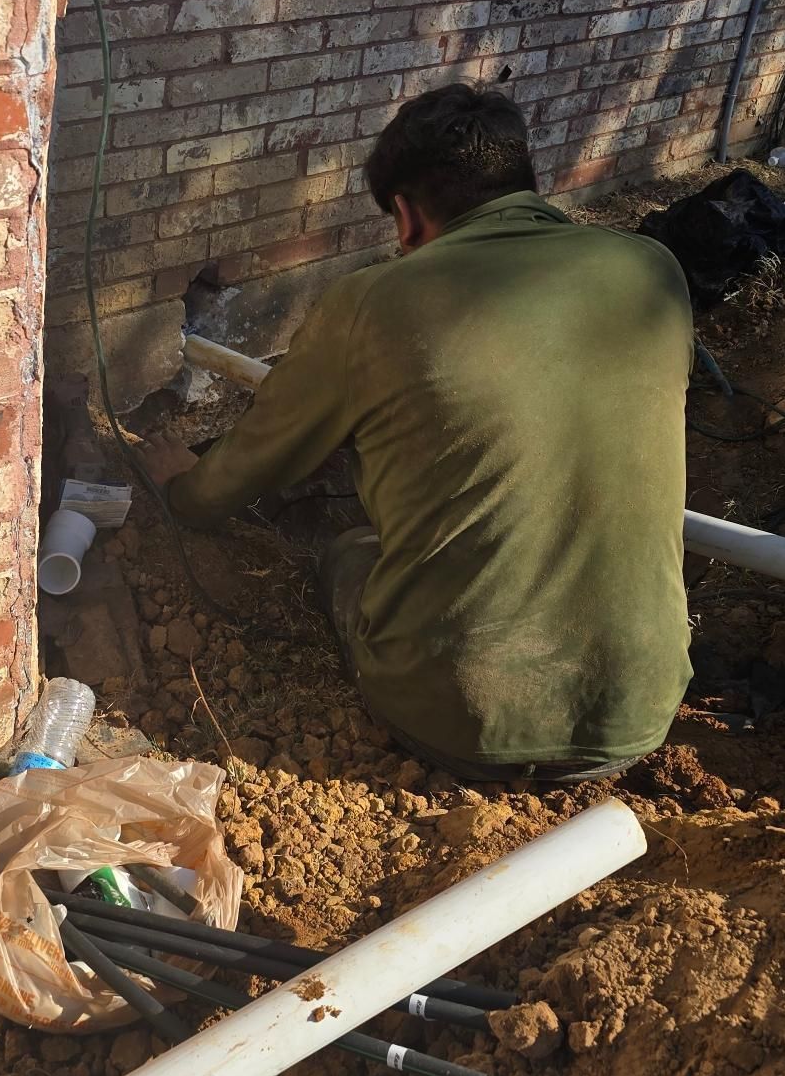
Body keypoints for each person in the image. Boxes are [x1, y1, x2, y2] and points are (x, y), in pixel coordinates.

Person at [143, 83, 694, 785]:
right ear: (525, 183)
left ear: (405, 216)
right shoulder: (652, 271)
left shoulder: (374, 301)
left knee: (347, 549)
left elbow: (250, 462)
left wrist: (178, 489)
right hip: (639, 708)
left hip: (458, 720)